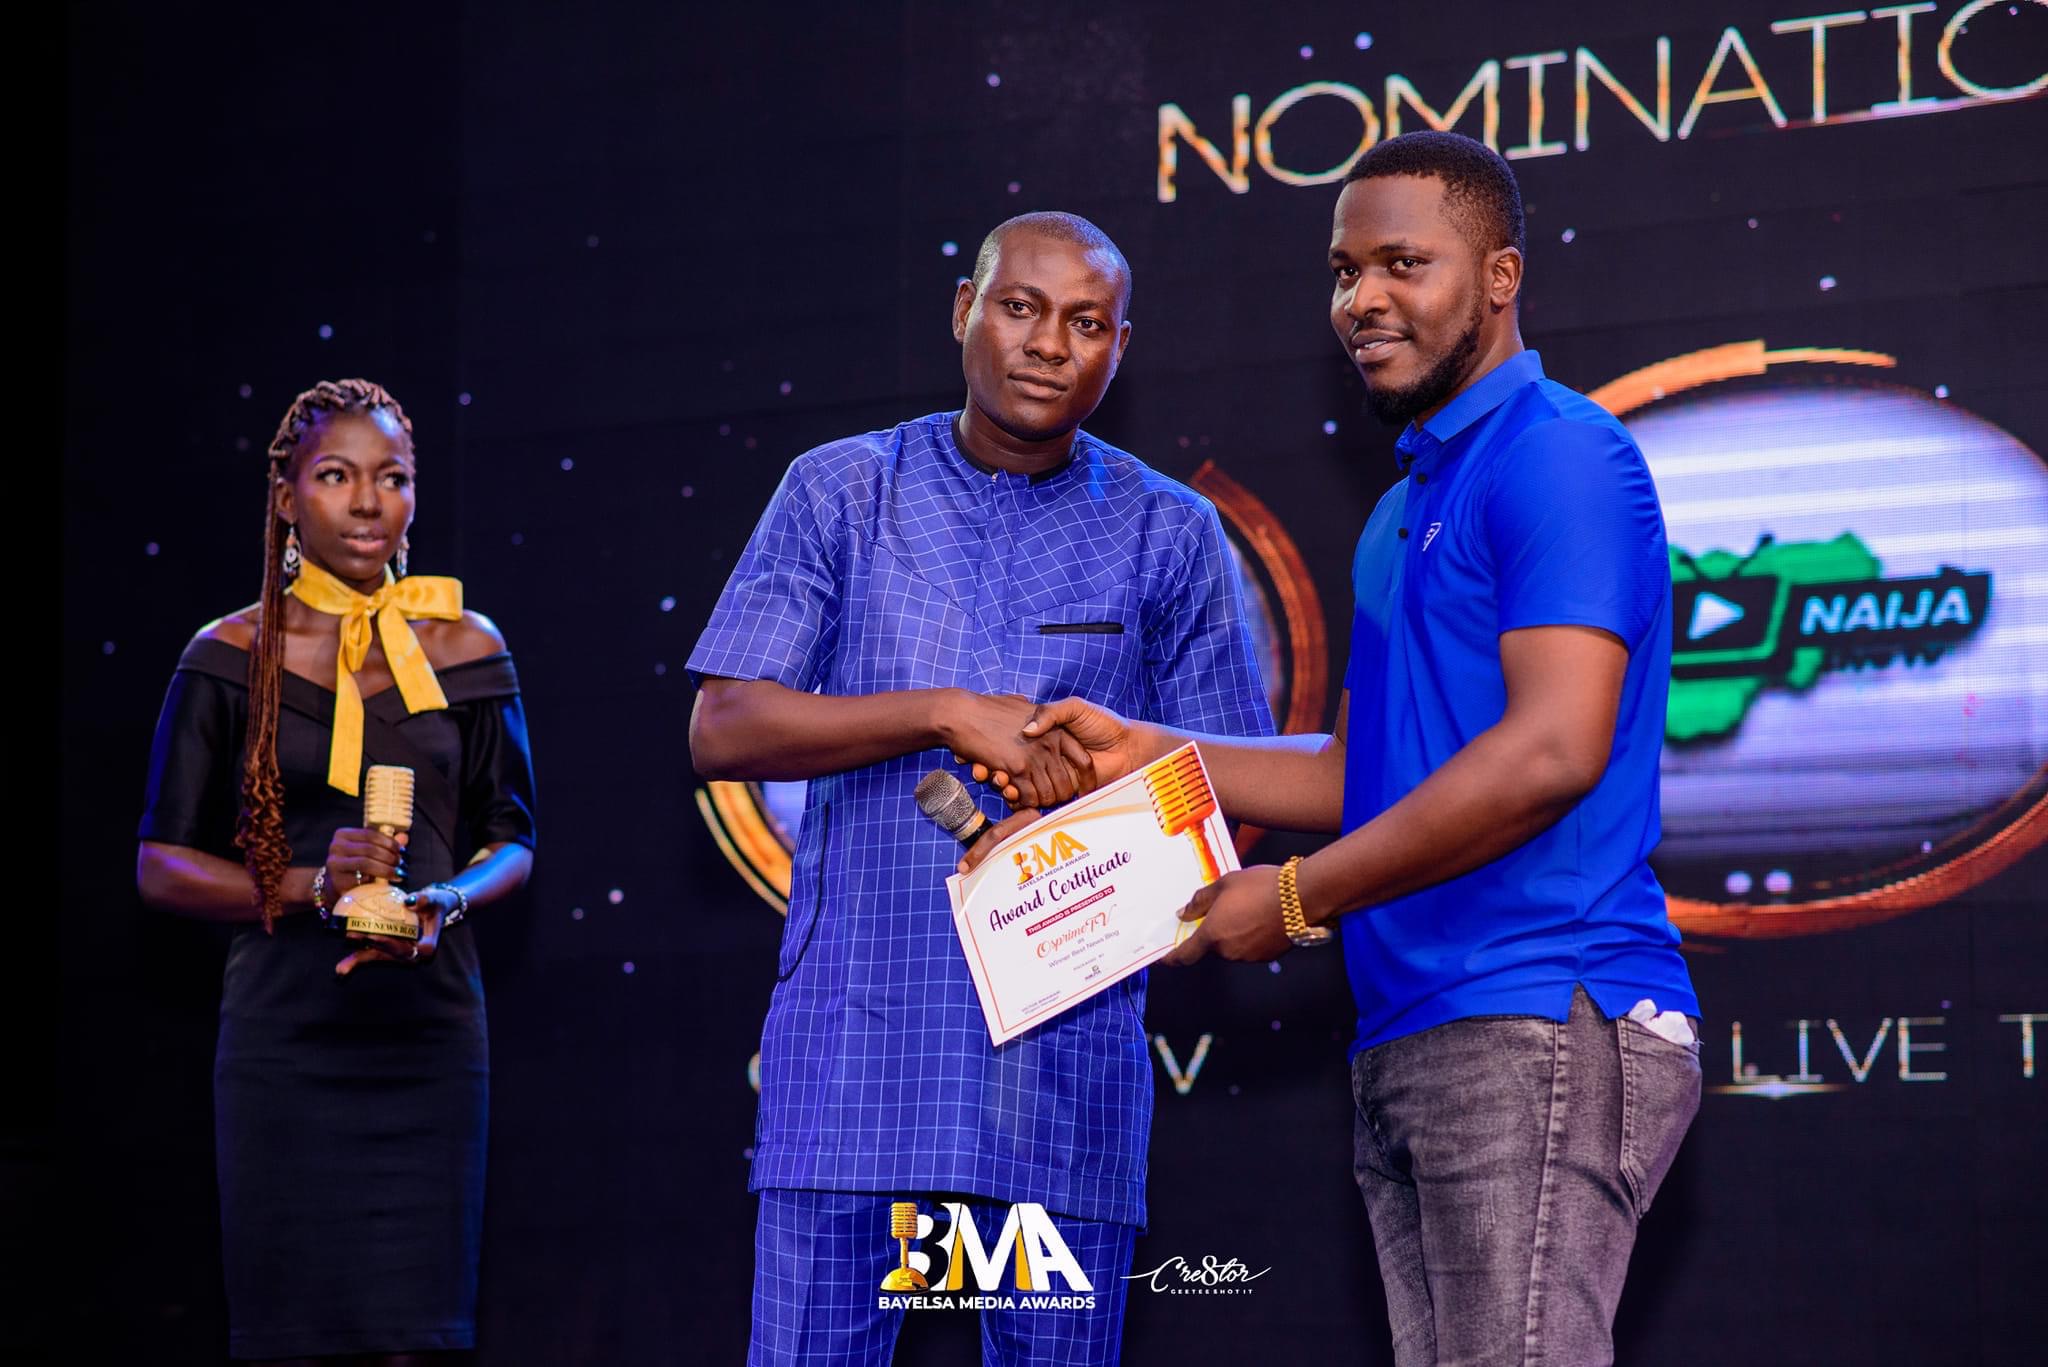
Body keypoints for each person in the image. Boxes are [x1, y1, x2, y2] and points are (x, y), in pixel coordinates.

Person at [969, 134, 1702, 1366]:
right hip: (1413, 1026)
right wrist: (1142, 752)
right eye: (1344, 270)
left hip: (1540, 1002)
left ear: (1500, 276)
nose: (1361, 298)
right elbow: (1351, 770)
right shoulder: (1401, 507)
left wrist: (1296, 897)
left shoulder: (1557, 453)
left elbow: (1550, 751)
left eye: (1402, 263)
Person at [687, 211, 1274, 1366]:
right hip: (857, 1065)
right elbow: (723, 725)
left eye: (1086, 323)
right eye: (1019, 307)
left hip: (1058, 1072)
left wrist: (1084, 809)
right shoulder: (839, 490)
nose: (1049, 343)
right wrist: (943, 711)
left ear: (1118, 349)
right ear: (964, 311)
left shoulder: (1169, 531)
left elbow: (1231, 786)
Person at [136, 378, 538, 1365]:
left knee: (417, 1341)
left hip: (430, 1036)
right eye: (336, 475)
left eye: (391, 477)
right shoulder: (231, 652)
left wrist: (446, 901)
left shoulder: (467, 645)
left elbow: (513, 837)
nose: (367, 501)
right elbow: (160, 865)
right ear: (287, 498)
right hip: (285, 1036)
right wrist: (311, 885)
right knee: (292, 1340)